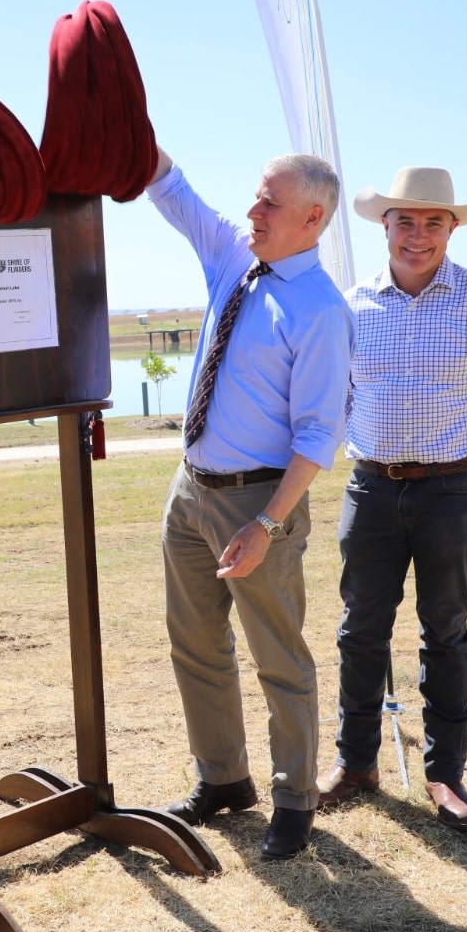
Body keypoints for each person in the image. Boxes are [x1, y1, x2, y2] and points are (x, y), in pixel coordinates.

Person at [317, 166, 467, 831]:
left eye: (432, 222)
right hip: (371, 489)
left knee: (443, 631)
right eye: (405, 221)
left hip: (454, 491)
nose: (417, 235)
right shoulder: (351, 304)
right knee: (359, 631)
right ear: (383, 225)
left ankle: (445, 775)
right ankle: (354, 764)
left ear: (451, 228)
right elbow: (341, 398)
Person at [146, 147, 355, 861]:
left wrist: (267, 524)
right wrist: (127, 129)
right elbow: (175, 193)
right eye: (255, 198)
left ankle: (294, 801)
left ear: (311, 218)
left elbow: (318, 435)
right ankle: (224, 779)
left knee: (278, 657)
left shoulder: (321, 311)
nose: (251, 213)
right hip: (190, 491)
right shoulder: (234, 261)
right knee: (195, 645)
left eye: (269, 204)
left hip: (261, 500)